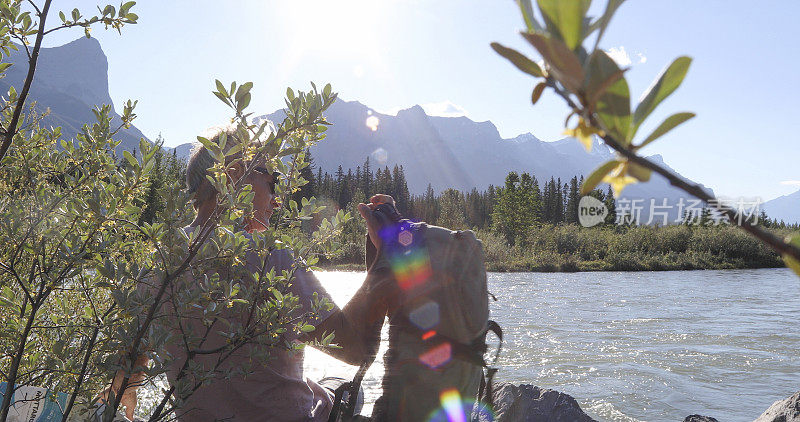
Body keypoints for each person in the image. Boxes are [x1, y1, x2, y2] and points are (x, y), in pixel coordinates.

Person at [100, 127, 389, 421]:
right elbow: (357, 349)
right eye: (272, 181)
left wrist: (128, 391)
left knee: (331, 384)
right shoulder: (271, 258)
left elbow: (127, 373)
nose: (276, 199)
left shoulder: (158, 265)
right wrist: (382, 259)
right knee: (342, 386)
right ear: (233, 176)